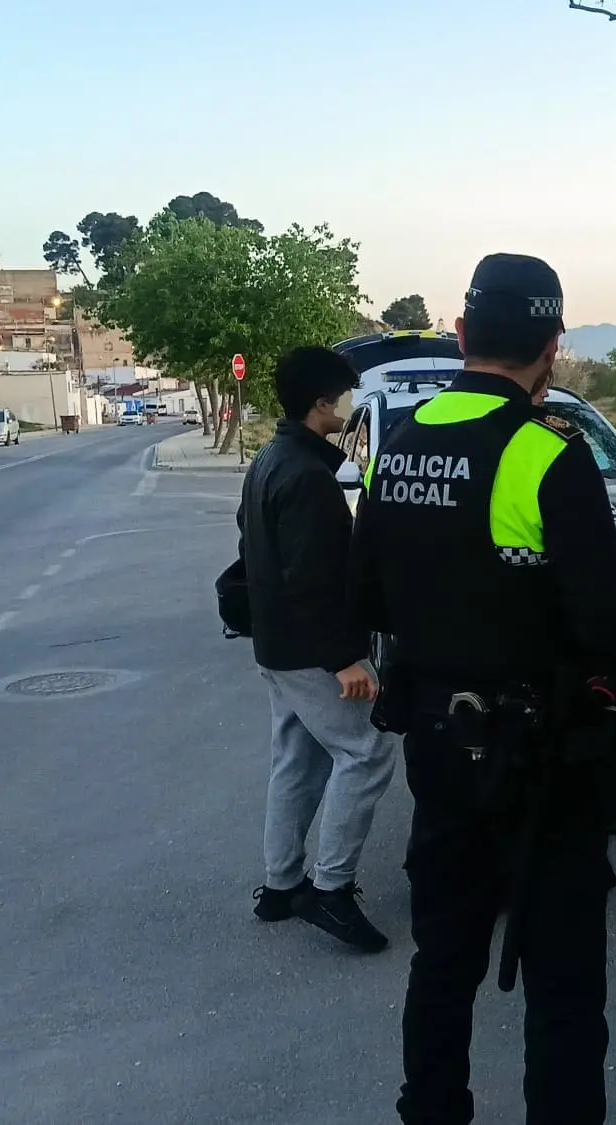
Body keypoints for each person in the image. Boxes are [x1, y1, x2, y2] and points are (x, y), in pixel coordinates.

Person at [351, 253, 616, 1125]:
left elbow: (368, 597)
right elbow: (610, 628)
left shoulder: (397, 447)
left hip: (438, 746)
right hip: (544, 759)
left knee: (443, 959)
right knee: (563, 981)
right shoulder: (546, 454)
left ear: (462, 334)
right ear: (553, 347)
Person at [237, 346, 398, 953]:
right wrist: (344, 659)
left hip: (278, 643)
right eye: (346, 394)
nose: (352, 404)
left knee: (298, 759)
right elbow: (312, 578)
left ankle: (281, 885)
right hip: (310, 650)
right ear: (321, 402)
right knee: (367, 751)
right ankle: (331, 889)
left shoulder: (271, 458)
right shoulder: (307, 476)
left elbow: (249, 543)